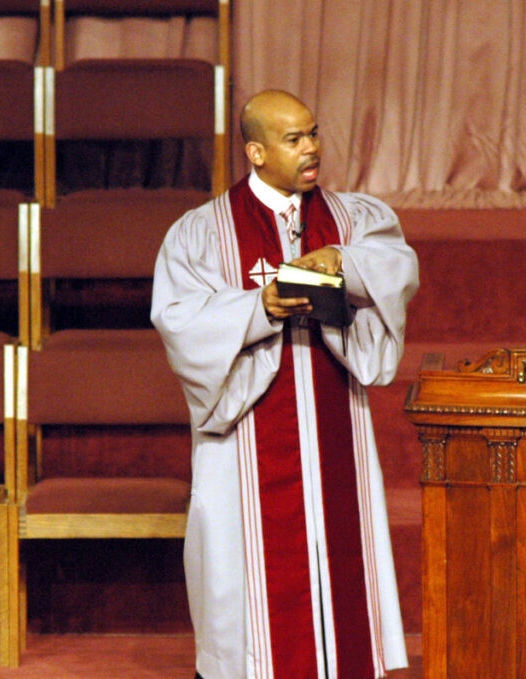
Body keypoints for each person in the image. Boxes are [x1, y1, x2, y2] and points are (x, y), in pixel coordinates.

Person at [151, 89, 419, 679]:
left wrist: (344, 263)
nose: (310, 149)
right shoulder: (201, 234)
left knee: (340, 562)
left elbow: (400, 268)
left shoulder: (354, 218)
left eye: (314, 134)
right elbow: (178, 320)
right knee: (241, 570)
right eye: (293, 140)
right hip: (247, 433)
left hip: (333, 424)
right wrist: (260, 307)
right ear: (256, 151)